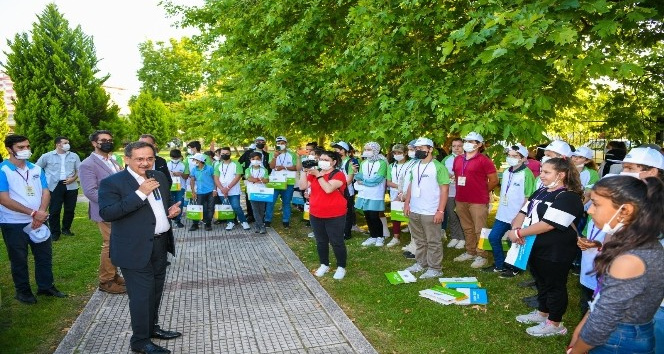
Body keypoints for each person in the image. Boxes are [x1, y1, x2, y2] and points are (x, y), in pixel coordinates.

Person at [98, 141, 182, 354]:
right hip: (133, 249)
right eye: (139, 159)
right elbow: (108, 213)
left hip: (160, 244)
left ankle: (151, 328)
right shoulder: (112, 183)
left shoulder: (159, 177)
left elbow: (157, 207)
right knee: (141, 295)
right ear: (126, 159)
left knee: (155, 291)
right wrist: (140, 193)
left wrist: (169, 211)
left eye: (150, 158)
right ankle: (139, 341)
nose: (145, 163)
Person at [567, 176, 664, 353]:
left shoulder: (629, 260)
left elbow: (604, 320)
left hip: (617, 339)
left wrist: (577, 350)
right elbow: (605, 298)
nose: (590, 211)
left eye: (596, 204)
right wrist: (582, 326)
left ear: (625, 210)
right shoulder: (640, 243)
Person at [508, 157, 584, 337]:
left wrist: (519, 234)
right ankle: (543, 313)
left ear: (562, 175)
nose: (541, 175)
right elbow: (523, 211)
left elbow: (549, 224)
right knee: (541, 281)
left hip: (556, 251)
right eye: (541, 171)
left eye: (546, 172)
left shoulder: (569, 197)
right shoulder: (541, 191)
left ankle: (555, 323)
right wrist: (515, 228)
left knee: (554, 284)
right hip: (534, 246)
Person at [0, 134, 67, 304]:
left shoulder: (36, 169)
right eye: (20, 148)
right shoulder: (3, 170)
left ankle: (46, 286)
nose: (26, 150)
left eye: (27, 147)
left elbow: (45, 191)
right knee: (19, 259)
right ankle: (23, 291)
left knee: (44, 256)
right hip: (13, 223)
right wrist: (32, 213)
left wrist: (41, 212)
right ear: (9, 149)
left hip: (39, 220)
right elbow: (4, 198)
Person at [79, 130, 126, 294]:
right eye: (103, 140)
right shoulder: (87, 164)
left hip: (119, 209)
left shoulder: (112, 161)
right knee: (110, 244)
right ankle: (106, 281)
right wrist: (115, 202)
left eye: (110, 140)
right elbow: (90, 191)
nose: (108, 142)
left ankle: (113, 275)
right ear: (94, 143)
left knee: (117, 243)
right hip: (106, 210)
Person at [482, 144, 536, 277]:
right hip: (503, 214)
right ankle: (499, 265)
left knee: (515, 242)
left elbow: (528, 196)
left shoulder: (527, 174)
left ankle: (514, 268)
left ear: (523, 158)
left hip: (517, 215)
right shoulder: (506, 172)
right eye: (509, 155)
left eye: (515, 156)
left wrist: (520, 216)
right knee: (493, 237)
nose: (510, 158)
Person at [402, 137, 450, 279]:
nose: (418, 151)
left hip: (431, 210)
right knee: (419, 239)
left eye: (422, 148)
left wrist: (440, 210)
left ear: (430, 149)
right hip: (415, 209)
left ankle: (435, 268)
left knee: (433, 241)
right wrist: (407, 202)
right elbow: (411, 184)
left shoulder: (438, 167)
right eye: (416, 148)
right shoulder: (415, 165)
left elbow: (444, 190)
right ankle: (421, 263)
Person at [299, 150, 348, 280]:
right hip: (316, 212)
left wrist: (318, 175)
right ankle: (324, 264)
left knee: (336, 241)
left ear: (334, 162)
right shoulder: (315, 173)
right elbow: (303, 186)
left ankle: (341, 266)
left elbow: (328, 189)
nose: (323, 162)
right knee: (321, 241)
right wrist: (304, 172)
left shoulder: (338, 175)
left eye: (326, 160)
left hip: (335, 214)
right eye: (321, 159)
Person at [452, 132, 498, 269]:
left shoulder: (484, 160)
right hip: (461, 199)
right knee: (467, 227)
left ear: (479, 145)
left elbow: (494, 180)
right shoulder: (458, 159)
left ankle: (482, 255)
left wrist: (482, 191)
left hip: (478, 200)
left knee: (480, 229)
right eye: (466, 140)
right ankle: (470, 251)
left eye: (471, 141)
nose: (467, 143)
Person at [35, 136, 81, 241]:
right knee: (55, 210)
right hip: (54, 186)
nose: (67, 145)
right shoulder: (47, 156)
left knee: (70, 209)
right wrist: (44, 181)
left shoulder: (74, 156)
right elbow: (37, 168)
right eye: (65, 143)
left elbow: (80, 169)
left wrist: (73, 178)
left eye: (68, 142)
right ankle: (55, 233)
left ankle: (66, 229)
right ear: (58, 144)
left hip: (71, 186)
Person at [355, 142, 388, 246]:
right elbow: (359, 177)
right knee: (367, 215)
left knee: (374, 216)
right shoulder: (364, 163)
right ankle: (373, 236)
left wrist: (364, 182)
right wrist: (356, 172)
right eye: (365, 149)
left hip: (375, 193)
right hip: (364, 193)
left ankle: (380, 236)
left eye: (369, 149)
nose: (366, 151)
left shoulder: (382, 162)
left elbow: (378, 179)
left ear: (376, 150)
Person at [266, 136, 299, 228]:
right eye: (278, 143)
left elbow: (296, 167)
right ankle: (267, 220)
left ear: (286, 143)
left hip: (288, 182)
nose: (280, 144)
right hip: (275, 181)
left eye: (282, 143)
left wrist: (284, 167)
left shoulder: (292, 154)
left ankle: (286, 221)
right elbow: (272, 167)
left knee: (286, 202)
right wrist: (275, 157)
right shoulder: (272, 154)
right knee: (271, 201)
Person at [214, 146, 250, 231]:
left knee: (236, 206)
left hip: (233, 190)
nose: (225, 155)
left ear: (230, 154)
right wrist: (222, 189)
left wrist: (228, 188)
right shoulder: (218, 165)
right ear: (220, 155)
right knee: (227, 207)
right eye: (223, 154)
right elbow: (216, 178)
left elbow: (237, 177)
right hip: (221, 191)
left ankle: (243, 221)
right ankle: (230, 222)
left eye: (227, 153)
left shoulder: (236, 164)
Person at [385, 143, 414, 247]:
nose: (397, 154)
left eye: (400, 153)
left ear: (405, 153)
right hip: (395, 192)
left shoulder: (412, 164)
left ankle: (413, 239)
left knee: (410, 216)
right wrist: (399, 187)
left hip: (409, 193)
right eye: (395, 153)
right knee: (396, 215)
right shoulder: (391, 166)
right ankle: (396, 237)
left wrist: (404, 191)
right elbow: (388, 182)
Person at [238, 136, 270, 223]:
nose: (260, 143)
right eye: (258, 141)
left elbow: (269, 167)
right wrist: (243, 174)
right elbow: (239, 162)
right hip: (249, 178)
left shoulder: (266, 155)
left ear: (265, 143)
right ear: (255, 142)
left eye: (262, 141)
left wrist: (267, 177)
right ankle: (250, 215)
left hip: (263, 179)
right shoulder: (248, 152)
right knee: (249, 197)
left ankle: (261, 216)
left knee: (262, 197)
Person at [443, 138, 465, 249]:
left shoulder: (467, 158)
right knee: (452, 215)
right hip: (450, 192)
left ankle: (463, 238)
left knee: (462, 216)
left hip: (463, 193)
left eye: (459, 146)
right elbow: (441, 173)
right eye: (454, 145)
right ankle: (454, 236)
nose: (456, 148)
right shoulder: (447, 159)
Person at [332, 141, 356, 240]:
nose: (335, 151)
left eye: (337, 149)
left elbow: (349, 179)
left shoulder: (350, 162)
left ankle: (347, 233)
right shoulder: (336, 162)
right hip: (335, 190)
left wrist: (337, 187)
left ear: (343, 150)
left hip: (346, 191)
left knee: (347, 213)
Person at [188, 153, 216, 231]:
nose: (193, 161)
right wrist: (193, 192)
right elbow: (192, 180)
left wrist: (214, 189)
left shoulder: (210, 168)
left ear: (200, 161)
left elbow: (215, 179)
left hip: (210, 191)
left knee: (210, 208)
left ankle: (208, 223)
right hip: (199, 192)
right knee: (198, 208)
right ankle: (195, 224)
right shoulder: (194, 169)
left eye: (194, 160)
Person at [245, 152, 271, 234]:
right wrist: (260, 180)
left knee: (262, 210)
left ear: (261, 160)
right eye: (253, 159)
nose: (255, 161)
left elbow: (267, 180)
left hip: (262, 192)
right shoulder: (248, 169)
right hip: (252, 191)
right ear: (250, 160)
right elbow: (249, 178)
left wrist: (256, 180)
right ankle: (262, 226)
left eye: (257, 159)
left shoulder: (264, 170)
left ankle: (257, 225)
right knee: (255, 209)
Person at [167, 149, 186, 228]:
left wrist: (181, 174)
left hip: (180, 187)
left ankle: (178, 220)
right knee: (170, 203)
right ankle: (170, 218)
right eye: (173, 158)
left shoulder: (183, 165)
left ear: (180, 157)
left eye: (176, 158)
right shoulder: (167, 164)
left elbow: (186, 176)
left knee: (179, 203)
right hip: (170, 187)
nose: (175, 160)